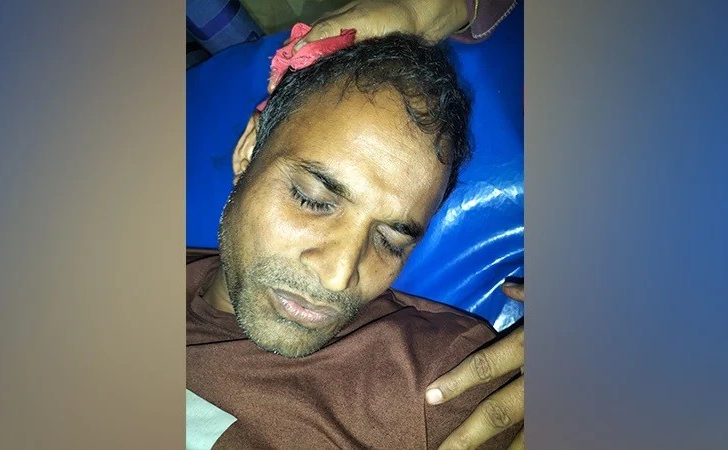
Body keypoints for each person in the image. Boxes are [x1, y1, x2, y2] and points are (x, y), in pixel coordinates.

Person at [187, 34, 521, 448]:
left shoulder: (438, 374)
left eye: (390, 241)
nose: (338, 276)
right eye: (313, 200)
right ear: (249, 151)